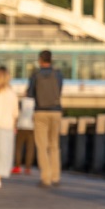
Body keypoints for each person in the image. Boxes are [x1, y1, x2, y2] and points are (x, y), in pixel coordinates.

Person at [27, 50, 64, 188]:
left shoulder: (35, 75)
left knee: (42, 146)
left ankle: (46, 178)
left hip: (40, 112)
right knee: (54, 145)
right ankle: (56, 176)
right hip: (56, 111)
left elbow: (30, 93)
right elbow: (60, 90)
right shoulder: (58, 74)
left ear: (40, 60)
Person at [12, 95, 35, 175]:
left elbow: (16, 113)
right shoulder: (36, 102)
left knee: (18, 148)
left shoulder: (21, 102)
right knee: (30, 148)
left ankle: (17, 166)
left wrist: (14, 125)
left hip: (21, 126)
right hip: (31, 127)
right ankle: (28, 168)